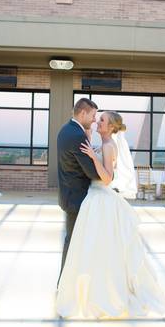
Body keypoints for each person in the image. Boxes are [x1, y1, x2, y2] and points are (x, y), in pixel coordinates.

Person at [56, 111, 165, 318]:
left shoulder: (108, 146)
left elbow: (107, 178)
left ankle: (104, 293)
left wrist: (92, 156)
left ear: (110, 127)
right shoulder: (104, 144)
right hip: (95, 196)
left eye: (102, 120)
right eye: (98, 118)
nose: (97, 122)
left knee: (97, 245)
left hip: (101, 195)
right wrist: (92, 148)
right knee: (97, 246)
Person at [56, 98, 101, 284]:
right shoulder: (77, 136)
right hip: (77, 198)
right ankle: (65, 283)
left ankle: (70, 280)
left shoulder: (65, 130)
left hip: (69, 194)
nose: (94, 120)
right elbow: (92, 172)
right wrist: (103, 164)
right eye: (92, 115)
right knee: (73, 241)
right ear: (82, 113)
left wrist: (92, 150)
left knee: (74, 240)